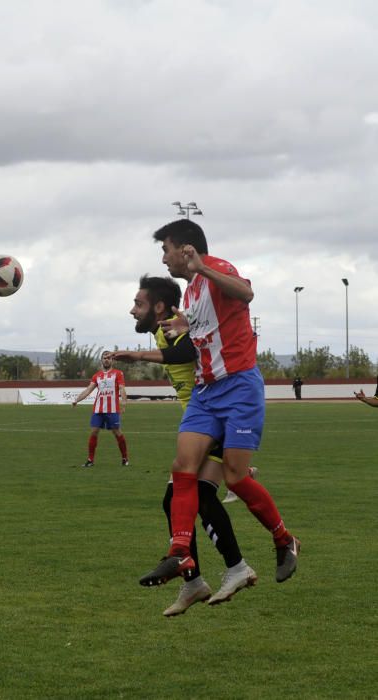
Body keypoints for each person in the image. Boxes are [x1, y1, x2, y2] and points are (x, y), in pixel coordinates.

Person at [138, 219, 300, 588]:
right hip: (206, 392)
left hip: (239, 387)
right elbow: (201, 329)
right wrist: (183, 326)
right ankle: (180, 552)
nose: (164, 259)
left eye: (166, 249)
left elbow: (245, 293)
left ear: (186, 249)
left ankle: (284, 539)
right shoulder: (193, 291)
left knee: (235, 476)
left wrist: (204, 267)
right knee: (182, 466)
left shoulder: (217, 269)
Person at [115, 275, 256, 613]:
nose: (132, 310)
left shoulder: (174, 328)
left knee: (186, 495)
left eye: (139, 303)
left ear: (159, 307)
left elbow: (187, 350)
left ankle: (215, 574)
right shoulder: (169, 329)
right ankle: (205, 578)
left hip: (218, 416)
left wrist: (137, 356)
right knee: (189, 497)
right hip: (207, 420)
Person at [72, 351, 129, 467]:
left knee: (117, 432)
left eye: (108, 358)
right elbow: (88, 390)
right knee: (94, 431)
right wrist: (77, 400)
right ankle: (90, 460)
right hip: (98, 409)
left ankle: (125, 458)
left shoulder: (118, 373)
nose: (106, 360)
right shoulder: (97, 376)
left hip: (112, 409)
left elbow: (122, 388)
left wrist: (123, 403)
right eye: (104, 358)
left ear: (112, 360)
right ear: (101, 360)